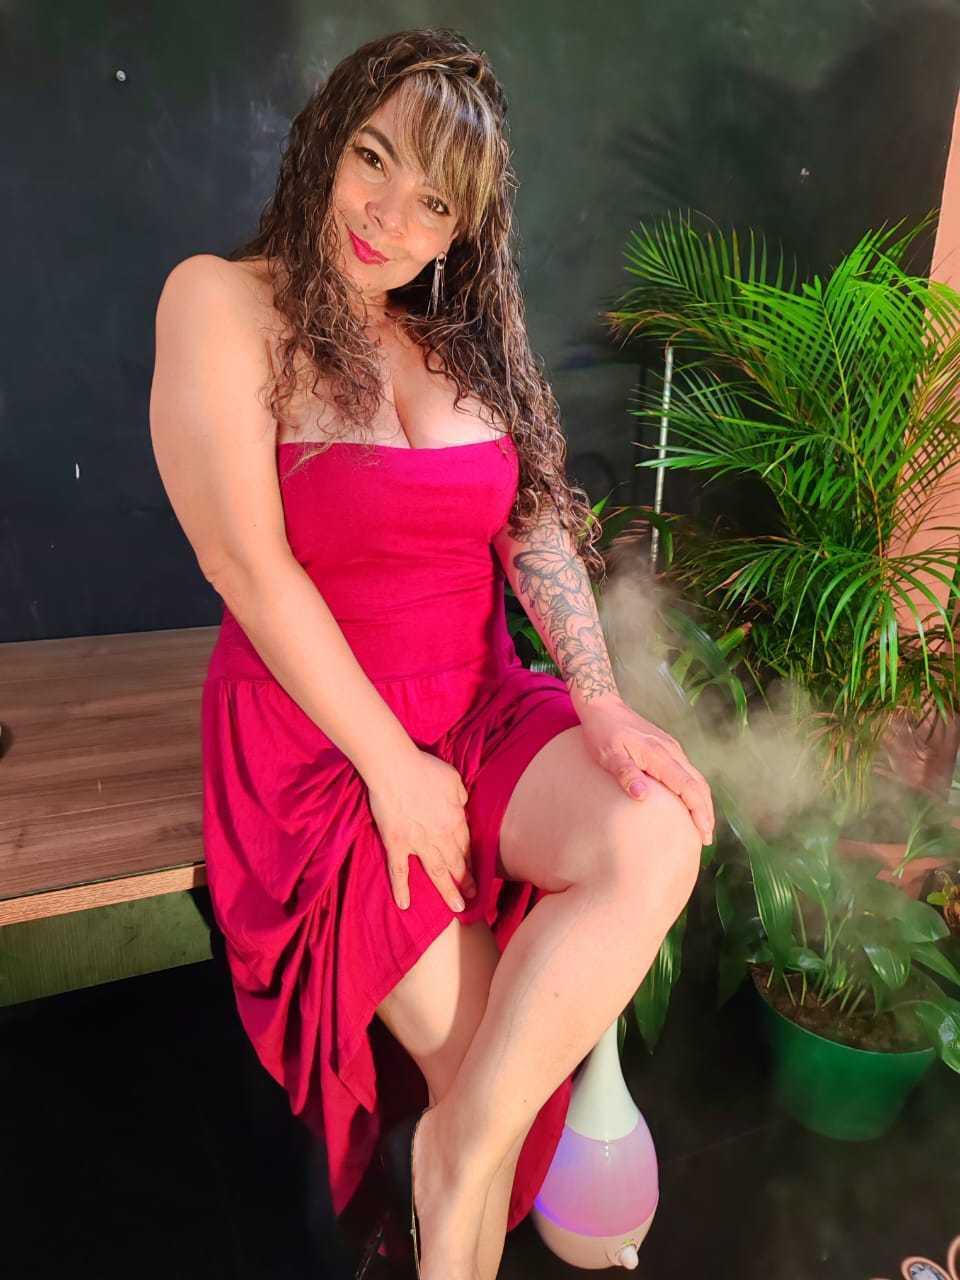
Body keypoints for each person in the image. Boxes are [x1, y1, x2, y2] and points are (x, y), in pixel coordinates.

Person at [149, 26, 713, 1280]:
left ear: (463, 230)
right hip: (322, 740)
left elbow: (535, 527)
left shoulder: (462, 339)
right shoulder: (221, 301)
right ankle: (452, 1187)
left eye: (435, 201)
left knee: (655, 830)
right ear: (324, 141)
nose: (390, 215)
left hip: (479, 701)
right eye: (373, 158)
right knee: (481, 1060)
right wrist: (392, 769)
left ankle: (449, 1157)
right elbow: (247, 566)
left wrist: (602, 702)